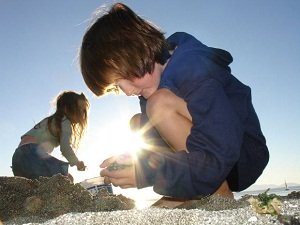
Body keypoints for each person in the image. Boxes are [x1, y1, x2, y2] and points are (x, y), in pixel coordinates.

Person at [79, 3, 269, 201]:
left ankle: (218, 196)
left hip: (238, 157)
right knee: (138, 123)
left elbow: (218, 151)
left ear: (142, 47)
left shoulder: (194, 69)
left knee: (159, 105)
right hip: (205, 162)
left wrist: (148, 172)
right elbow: (157, 141)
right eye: (117, 86)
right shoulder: (148, 89)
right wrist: (134, 161)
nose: (126, 91)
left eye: (125, 76)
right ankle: (190, 195)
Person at [12, 91, 89, 182]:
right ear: (67, 108)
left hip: (17, 159)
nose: (82, 114)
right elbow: (65, 148)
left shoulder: (49, 120)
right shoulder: (65, 121)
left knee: (36, 186)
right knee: (67, 179)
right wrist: (77, 163)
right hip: (32, 154)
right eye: (80, 109)